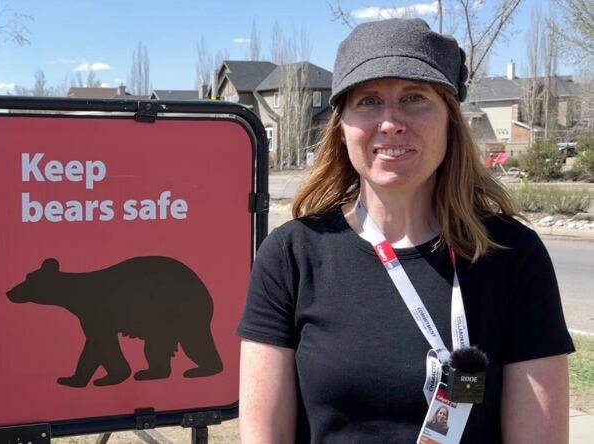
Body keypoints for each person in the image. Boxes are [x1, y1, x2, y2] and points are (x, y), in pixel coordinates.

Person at [237, 18, 574, 443]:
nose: (391, 122)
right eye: (368, 101)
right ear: (341, 127)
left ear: (450, 119)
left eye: (415, 98)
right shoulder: (291, 256)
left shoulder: (512, 254)